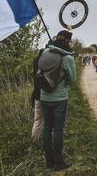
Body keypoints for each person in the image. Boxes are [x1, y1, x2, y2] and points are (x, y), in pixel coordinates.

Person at [40, 30, 76, 170]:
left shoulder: (45, 52)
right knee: (58, 130)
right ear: (67, 41)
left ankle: (48, 161)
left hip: (44, 97)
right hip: (60, 98)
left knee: (47, 128)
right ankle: (59, 162)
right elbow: (72, 80)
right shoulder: (67, 58)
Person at [31, 47, 46, 142]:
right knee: (49, 121)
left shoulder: (35, 63)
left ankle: (34, 140)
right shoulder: (47, 65)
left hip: (36, 95)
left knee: (37, 120)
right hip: (46, 96)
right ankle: (47, 140)